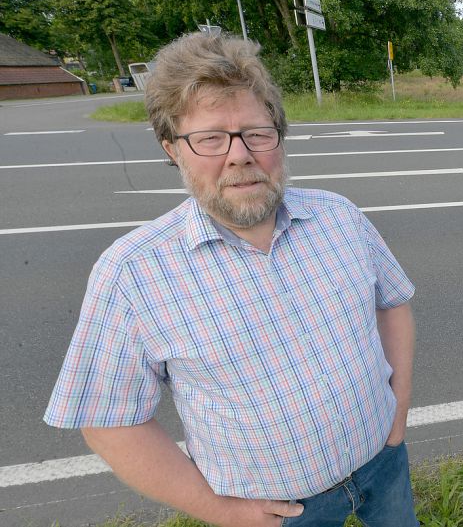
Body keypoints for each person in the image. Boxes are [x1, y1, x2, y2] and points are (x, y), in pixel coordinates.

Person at [43, 33, 418, 527]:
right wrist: (218, 511)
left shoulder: (340, 218)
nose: (240, 155)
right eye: (210, 138)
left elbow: (393, 302)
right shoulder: (132, 273)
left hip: (383, 462)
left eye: (257, 133)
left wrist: (399, 409)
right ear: (172, 149)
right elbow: (108, 421)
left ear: (278, 138)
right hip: (275, 513)